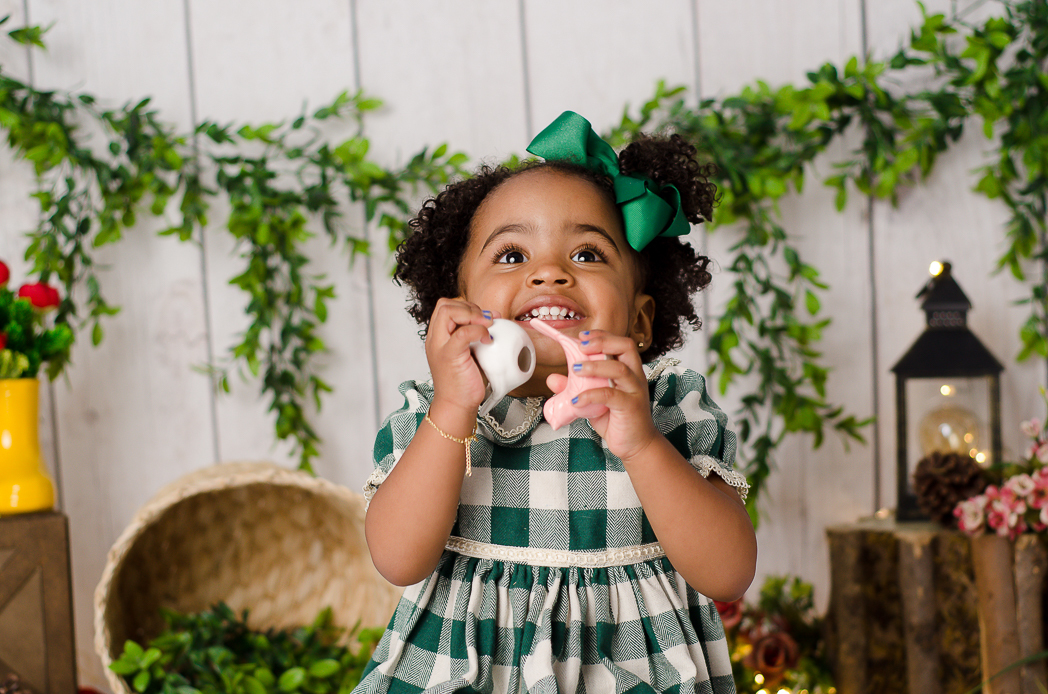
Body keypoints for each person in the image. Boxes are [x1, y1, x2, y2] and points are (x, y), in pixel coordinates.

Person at [357, 111, 757, 694]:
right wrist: (451, 410)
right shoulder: (437, 412)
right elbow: (397, 559)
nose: (549, 273)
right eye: (512, 256)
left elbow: (727, 574)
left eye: (588, 255)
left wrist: (641, 442)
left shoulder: (669, 407)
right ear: (460, 301)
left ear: (641, 319)